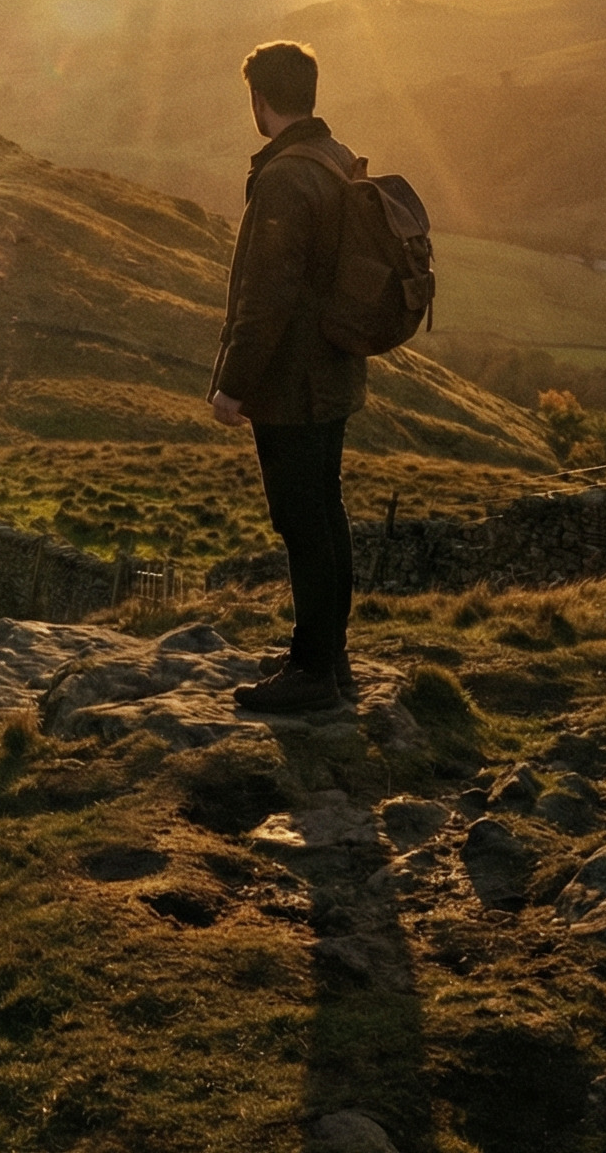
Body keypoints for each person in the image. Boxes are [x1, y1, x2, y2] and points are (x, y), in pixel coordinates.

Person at [209, 40, 363, 714]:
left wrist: (232, 384)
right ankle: (330, 656)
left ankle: (312, 675)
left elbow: (266, 296)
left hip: (293, 383)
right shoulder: (334, 158)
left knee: (303, 522)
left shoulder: (283, 178)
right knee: (326, 516)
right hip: (332, 370)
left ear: (259, 100)